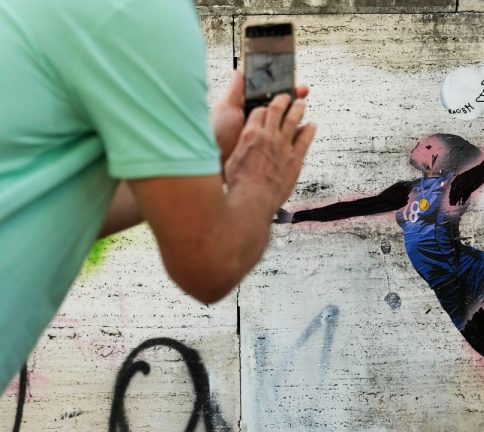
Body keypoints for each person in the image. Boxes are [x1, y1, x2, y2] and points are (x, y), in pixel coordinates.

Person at [0, 0, 315, 392]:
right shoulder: (137, 11)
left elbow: (43, 207)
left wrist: (207, 152)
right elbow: (210, 264)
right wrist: (261, 184)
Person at [277, 67, 484, 432]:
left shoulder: (455, 186)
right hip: (448, 289)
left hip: (477, 272)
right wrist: (294, 217)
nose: (419, 144)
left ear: (439, 154)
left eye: (427, 142)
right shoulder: (404, 192)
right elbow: (353, 206)